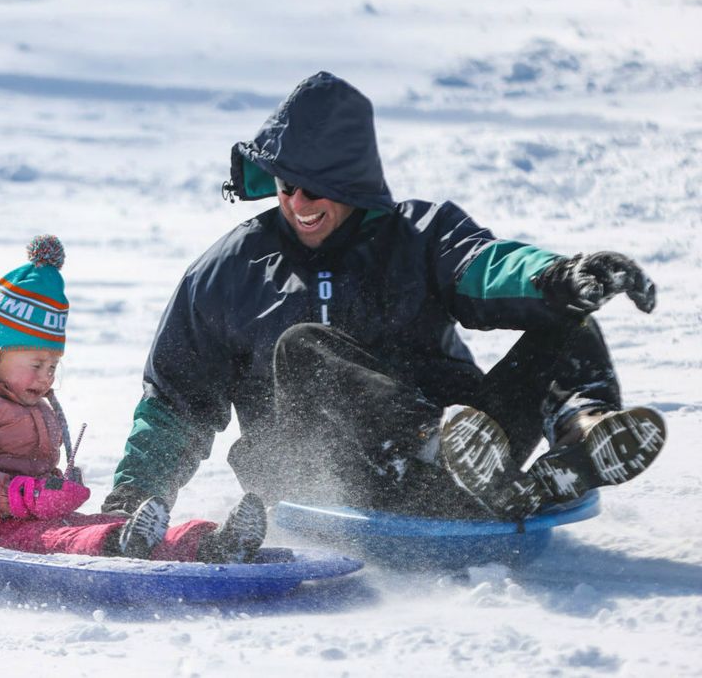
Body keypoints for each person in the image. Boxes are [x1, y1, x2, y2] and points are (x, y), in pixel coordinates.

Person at [101, 71, 667, 521]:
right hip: (332, 480)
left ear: (352, 183)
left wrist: (559, 277)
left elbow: (485, 267)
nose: (298, 201)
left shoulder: (420, 235)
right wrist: (132, 499)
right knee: (304, 346)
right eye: (285, 184)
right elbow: (177, 401)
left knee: (566, 321)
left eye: (317, 186)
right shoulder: (230, 271)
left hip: (473, 467)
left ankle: (577, 444)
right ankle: (432, 443)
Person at [0, 234, 267, 562]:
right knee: (54, 538)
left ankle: (208, 543)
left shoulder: (27, 401)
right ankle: (120, 543)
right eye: (37, 363)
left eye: (53, 365)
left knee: (94, 525)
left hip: (17, 517)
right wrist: (27, 496)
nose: (47, 377)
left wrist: (55, 486)